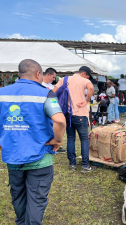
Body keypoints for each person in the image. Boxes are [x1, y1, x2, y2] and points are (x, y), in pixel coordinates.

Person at [0, 59, 66, 224]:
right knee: (36, 200)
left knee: (18, 196)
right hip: (40, 159)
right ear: (38, 74)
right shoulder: (45, 93)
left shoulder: (2, 93)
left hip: (13, 157)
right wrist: (57, 141)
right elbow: (60, 121)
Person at [53, 66, 95, 173]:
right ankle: (85, 166)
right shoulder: (84, 80)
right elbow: (90, 88)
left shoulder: (65, 79)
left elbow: (53, 91)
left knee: (70, 139)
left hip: (67, 115)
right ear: (84, 73)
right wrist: (87, 100)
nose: (88, 78)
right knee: (84, 140)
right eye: (88, 75)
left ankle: (72, 164)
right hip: (80, 114)